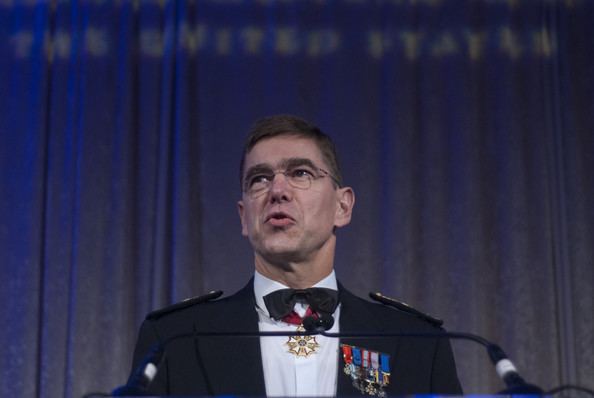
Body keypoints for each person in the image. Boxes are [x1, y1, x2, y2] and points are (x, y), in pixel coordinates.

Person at [124, 115, 462, 396]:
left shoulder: (418, 342)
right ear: (244, 217)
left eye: (301, 173)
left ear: (342, 206)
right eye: (259, 179)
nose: (278, 190)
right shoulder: (173, 339)